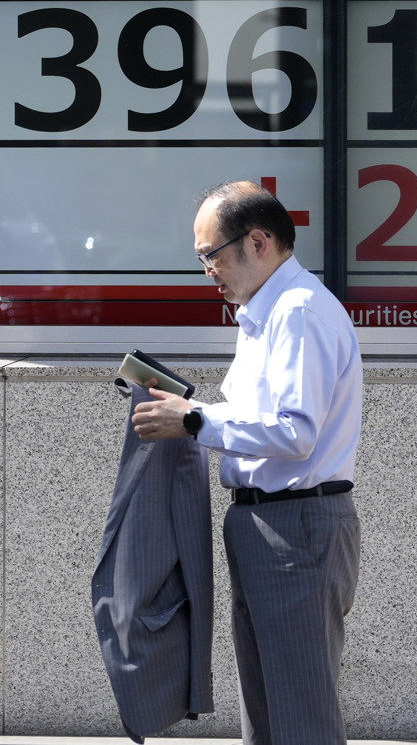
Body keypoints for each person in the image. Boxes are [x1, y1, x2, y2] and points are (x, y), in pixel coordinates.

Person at [131, 180, 363, 745]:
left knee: (300, 713)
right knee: (267, 714)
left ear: (258, 242)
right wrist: (193, 412)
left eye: (211, 255)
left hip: (296, 526)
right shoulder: (265, 313)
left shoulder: (297, 312)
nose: (207, 270)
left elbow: (295, 431)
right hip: (270, 523)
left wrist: (194, 420)